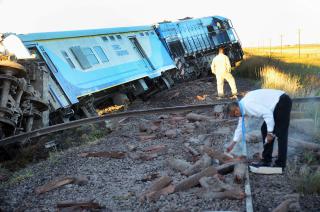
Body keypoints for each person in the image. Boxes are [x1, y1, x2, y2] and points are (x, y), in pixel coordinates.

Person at [226, 89, 292, 168]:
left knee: (281, 134)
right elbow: (240, 127)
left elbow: (267, 114)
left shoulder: (248, 105)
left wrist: (270, 133)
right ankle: (266, 161)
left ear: (236, 110)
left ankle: (280, 164)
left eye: (234, 115)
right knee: (264, 129)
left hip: (282, 101)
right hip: (277, 104)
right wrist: (233, 143)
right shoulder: (242, 107)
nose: (236, 117)